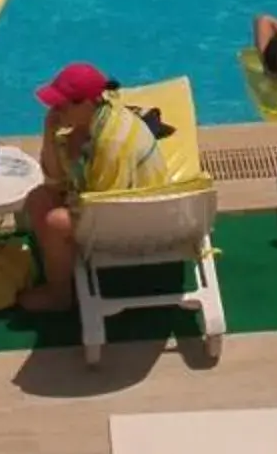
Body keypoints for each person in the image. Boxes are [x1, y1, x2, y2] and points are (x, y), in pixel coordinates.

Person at [18, 62, 170, 312]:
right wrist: (48, 131)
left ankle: (60, 295)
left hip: (138, 222)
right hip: (116, 202)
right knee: (38, 198)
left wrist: (63, 211)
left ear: (86, 103)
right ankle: (59, 273)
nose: (55, 111)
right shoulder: (87, 123)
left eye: (61, 105)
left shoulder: (112, 143)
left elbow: (102, 210)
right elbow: (54, 180)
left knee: (55, 222)